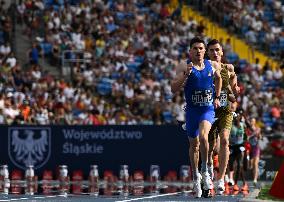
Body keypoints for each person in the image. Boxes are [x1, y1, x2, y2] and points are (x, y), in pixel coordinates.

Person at [171, 37, 222, 198]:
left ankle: (206, 170)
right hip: (192, 111)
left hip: (207, 109)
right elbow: (173, 88)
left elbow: (219, 78)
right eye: (195, 48)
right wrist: (186, 75)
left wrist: (217, 97)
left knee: (204, 136)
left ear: (204, 51)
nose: (198, 51)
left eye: (201, 48)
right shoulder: (183, 66)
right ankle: (195, 177)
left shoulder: (212, 64)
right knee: (194, 146)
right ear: (190, 51)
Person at [206, 39, 240, 195]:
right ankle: (208, 170)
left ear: (221, 52)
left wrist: (235, 88)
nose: (214, 53)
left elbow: (234, 91)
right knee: (211, 148)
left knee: (225, 140)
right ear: (207, 52)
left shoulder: (229, 68)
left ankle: (220, 179)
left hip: (225, 110)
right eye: (211, 50)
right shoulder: (204, 67)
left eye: (217, 50)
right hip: (209, 110)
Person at [228, 109, 249, 192]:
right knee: (231, 165)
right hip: (233, 147)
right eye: (235, 117)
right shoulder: (230, 125)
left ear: (240, 117)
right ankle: (242, 183)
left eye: (238, 117)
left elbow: (247, 135)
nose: (236, 118)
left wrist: (245, 143)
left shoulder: (242, 124)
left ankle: (238, 184)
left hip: (241, 147)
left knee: (240, 165)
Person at [248, 118, 262, 186]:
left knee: (255, 164)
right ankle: (255, 174)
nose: (251, 122)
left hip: (256, 147)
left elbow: (258, 135)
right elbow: (246, 137)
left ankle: (255, 179)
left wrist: (259, 136)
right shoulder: (247, 129)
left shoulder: (258, 128)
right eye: (251, 121)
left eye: (253, 121)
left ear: (255, 122)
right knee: (250, 165)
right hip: (249, 147)